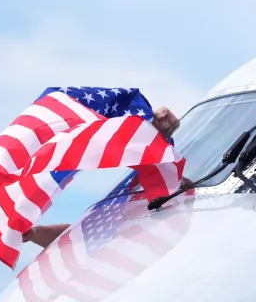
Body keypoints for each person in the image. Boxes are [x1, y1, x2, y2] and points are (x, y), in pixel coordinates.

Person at [22, 106, 182, 249]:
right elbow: (77, 237)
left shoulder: (166, 187)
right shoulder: (128, 189)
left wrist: (151, 135)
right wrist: (35, 233)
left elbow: (183, 188)